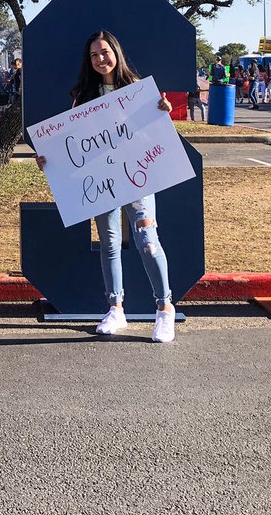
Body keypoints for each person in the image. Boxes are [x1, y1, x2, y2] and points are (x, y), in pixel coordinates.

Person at [35, 31, 178, 343]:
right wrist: (50, 159)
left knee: (146, 239)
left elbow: (156, 134)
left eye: (105, 52)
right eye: (94, 55)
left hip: (138, 176)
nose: (101, 59)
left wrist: (164, 113)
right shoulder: (83, 97)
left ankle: (165, 308)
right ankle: (116, 308)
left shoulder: (138, 91)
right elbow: (72, 143)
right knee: (110, 243)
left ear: (116, 52)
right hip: (102, 182)